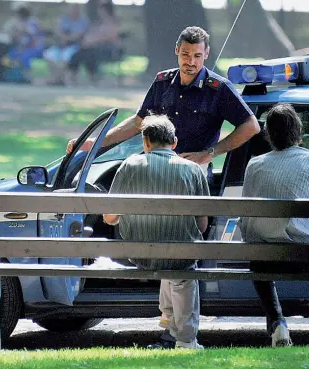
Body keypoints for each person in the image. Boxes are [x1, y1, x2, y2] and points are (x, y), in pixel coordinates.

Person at [66, 26, 260, 168]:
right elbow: (137, 123)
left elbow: (251, 125)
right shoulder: (162, 82)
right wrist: (94, 142)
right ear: (177, 50)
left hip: (192, 168)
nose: (191, 62)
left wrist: (209, 154)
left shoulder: (218, 88)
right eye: (185, 54)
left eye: (197, 56)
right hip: (156, 164)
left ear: (206, 54)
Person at [103, 114, 210, 350]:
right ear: (174, 142)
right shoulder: (193, 170)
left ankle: (168, 317)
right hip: (180, 255)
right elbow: (202, 225)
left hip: (140, 254)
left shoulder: (129, 165)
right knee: (181, 263)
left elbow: (109, 216)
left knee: (165, 252)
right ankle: (185, 339)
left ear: (146, 142)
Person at [240, 103, 309, 347]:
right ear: (299, 131)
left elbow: (246, 221)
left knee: (258, 259)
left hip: (266, 258)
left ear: (269, 134)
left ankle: (277, 323)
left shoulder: (255, 165)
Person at [67, 1, 120, 85]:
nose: (99, 13)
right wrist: (87, 41)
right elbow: (90, 34)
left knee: (89, 54)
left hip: (106, 49)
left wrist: (94, 41)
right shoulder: (98, 23)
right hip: (92, 48)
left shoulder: (112, 23)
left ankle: (93, 78)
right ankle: (73, 77)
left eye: (101, 10)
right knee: (78, 54)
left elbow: (110, 37)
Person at [43, 3, 89, 86]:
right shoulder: (64, 19)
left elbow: (78, 35)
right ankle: (57, 78)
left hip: (74, 46)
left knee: (64, 58)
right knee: (49, 55)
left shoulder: (83, 21)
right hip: (60, 46)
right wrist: (63, 38)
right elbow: (57, 31)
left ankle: (57, 79)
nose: (74, 11)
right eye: (72, 9)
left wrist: (66, 38)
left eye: (76, 9)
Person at [4, 2, 44, 82]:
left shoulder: (33, 21)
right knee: (8, 58)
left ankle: (38, 79)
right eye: (20, 11)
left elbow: (34, 36)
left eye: (23, 10)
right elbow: (11, 36)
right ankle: (17, 78)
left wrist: (24, 31)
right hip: (18, 49)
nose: (22, 13)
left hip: (32, 48)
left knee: (33, 55)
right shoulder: (13, 22)